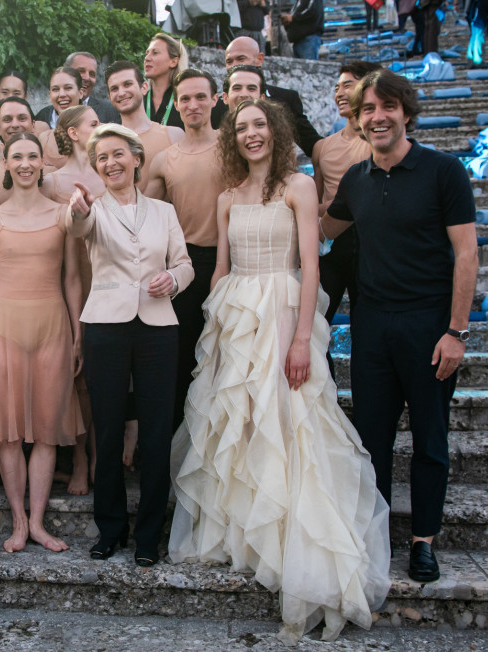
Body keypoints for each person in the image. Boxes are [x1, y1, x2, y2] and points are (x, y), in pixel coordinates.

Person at [170, 99, 391, 644]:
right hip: (236, 315)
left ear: (276, 130)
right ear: (233, 137)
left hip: (284, 311)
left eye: (259, 125)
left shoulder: (300, 186)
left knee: (291, 422)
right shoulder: (226, 197)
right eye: (241, 128)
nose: (251, 135)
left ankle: (296, 543)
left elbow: (313, 266)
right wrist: (212, 335)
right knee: (239, 424)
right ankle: (246, 536)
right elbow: (220, 267)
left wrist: (299, 338)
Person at [321, 70, 478, 584]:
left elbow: (467, 252)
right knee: (372, 440)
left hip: (430, 326)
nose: (377, 116)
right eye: (367, 109)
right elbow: (320, 229)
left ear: (406, 112)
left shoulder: (443, 170)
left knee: (430, 439)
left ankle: (424, 541)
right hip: (371, 327)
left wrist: (457, 331)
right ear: (358, 117)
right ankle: (377, 538)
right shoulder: (355, 180)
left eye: (387, 106)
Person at [67, 124, 194, 567]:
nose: (111, 163)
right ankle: (110, 529)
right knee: (107, 427)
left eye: (118, 154)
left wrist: (173, 279)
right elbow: (76, 227)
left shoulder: (163, 211)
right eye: (102, 158)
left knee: (157, 433)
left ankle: (148, 536)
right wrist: (78, 208)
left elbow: (184, 263)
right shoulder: (92, 209)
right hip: (105, 325)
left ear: (136, 158)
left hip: (158, 326)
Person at [0, 133, 83, 553]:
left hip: (53, 324)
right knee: (10, 435)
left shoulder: (62, 216)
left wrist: (78, 332)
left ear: (43, 163)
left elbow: (72, 278)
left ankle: (38, 522)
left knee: (47, 432)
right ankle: (18, 522)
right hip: (4, 326)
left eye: (31, 156)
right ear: (5, 163)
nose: (24, 163)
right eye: (16, 157)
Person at [146, 69, 227, 431]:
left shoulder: (234, 146)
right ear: (176, 105)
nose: (193, 105)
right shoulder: (164, 160)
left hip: (232, 265)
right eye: (185, 99)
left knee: (228, 360)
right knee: (183, 363)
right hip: (185, 268)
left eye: (200, 97)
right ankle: (181, 456)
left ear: (215, 99)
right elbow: (141, 218)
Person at [40, 105, 105, 495]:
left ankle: (102, 453)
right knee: (77, 378)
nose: (102, 128)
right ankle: (80, 457)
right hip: (69, 283)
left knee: (106, 378)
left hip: (110, 281)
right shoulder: (52, 181)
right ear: (73, 133)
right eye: (95, 123)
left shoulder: (112, 172)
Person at [311, 61, 382, 377]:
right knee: (315, 324)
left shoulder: (380, 143)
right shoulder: (322, 147)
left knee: (369, 327)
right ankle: (323, 397)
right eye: (338, 86)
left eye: (348, 84)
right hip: (329, 244)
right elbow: (314, 200)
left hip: (371, 243)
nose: (340, 92)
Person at [212, 37, 323, 157]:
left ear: (259, 59)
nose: (234, 66)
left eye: (241, 59)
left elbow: (312, 144)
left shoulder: (285, 100)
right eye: (229, 62)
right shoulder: (215, 106)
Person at [104, 60, 184, 189]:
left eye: (127, 84)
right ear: (109, 96)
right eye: (114, 89)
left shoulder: (173, 135)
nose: (121, 93)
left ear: (144, 87)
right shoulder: (104, 142)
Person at [35, 67, 86, 167]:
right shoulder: (40, 122)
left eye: (68, 88)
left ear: (80, 93)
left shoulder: (95, 126)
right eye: (55, 89)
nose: (62, 94)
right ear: (50, 95)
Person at [143, 33, 189, 130]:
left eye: (155, 53)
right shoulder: (138, 101)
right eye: (147, 53)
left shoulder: (186, 101)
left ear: (173, 62)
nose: (147, 58)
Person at [64, 51, 121, 124]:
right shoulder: (47, 115)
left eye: (92, 74)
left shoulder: (111, 111)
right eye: (81, 71)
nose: (87, 78)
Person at [0, 69, 51, 134]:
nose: (10, 97)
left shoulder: (39, 128)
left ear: (25, 96)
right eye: (5, 92)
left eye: (16, 93)